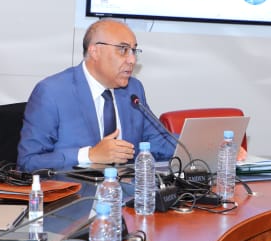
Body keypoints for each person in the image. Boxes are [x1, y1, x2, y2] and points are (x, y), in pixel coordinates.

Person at [18, 19, 176, 172]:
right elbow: (29, 161)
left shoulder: (133, 89)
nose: (132, 60)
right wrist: (89, 155)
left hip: (125, 187)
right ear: (95, 51)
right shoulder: (52, 92)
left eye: (134, 51)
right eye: (123, 49)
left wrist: (190, 144)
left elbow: (159, 142)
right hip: (75, 189)